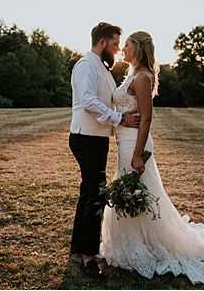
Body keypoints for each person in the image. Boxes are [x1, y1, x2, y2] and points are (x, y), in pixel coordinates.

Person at [99, 30, 204, 284]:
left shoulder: (142, 77)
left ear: (140, 48)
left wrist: (137, 154)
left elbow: (147, 118)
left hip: (134, 144)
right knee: (133, 191)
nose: (124, 49)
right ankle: (133, 241)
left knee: (139, 191)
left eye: (129, 46)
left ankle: (147, 245)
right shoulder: (132, 73)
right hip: (123, 142)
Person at [68, 22, 140, 278]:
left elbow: (106, 101)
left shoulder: (102, 68)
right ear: (102, 42)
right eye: (115, 43)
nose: (118, 49)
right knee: (95, 194)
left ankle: (79, 248)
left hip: (96, 138)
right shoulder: (86, 65)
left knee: (88, 191)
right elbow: (88, 101)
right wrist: (119, 119)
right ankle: (88, 256)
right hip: (85, 138)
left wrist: (121, 116)